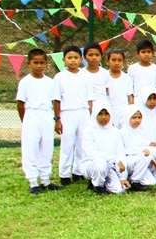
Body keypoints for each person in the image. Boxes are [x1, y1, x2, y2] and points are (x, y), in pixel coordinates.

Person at [17, 49, 64, 194]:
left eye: (41, 63)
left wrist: (56, 119)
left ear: (46, 63)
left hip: (46, 115)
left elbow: (56, 101)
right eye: (35, 63)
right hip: (31, 114)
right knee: (31, 148)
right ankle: (33, 182)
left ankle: (45, 180)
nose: (39, 66)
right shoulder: (25, 82)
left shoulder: (50, 82)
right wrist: (25, 120)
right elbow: (20, 103)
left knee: (47, 147)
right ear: (28, 63)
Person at [53, 46, 91, 186]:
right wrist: (57, 119)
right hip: (67, 112)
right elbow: (56, 99)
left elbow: (89, 98)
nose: (73, 61)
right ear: (64, 60)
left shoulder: (85, 75)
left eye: (76, 58)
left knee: (82, 143)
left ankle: (78, 171)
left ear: (81, 59)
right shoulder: (60, 77)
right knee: (67, 144)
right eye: (70, 58)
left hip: (83, 111)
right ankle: (64, 174)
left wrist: (91, 116)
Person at [81, 101, 130, 194]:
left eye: (106, 114)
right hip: (91, 164)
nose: (103, 117)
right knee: (100, 163)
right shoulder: (88, 131)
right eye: (100, 114)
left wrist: (123, 177)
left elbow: (120, 153)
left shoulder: (115, 132)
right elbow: (92, 154)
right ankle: (97, 185)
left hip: (110, 166)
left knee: (120, 190)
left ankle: (103, 181)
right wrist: (114, 159)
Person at [120, 105, 156, 190]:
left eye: (139, 117)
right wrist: (149, 155)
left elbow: (143, 143)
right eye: (134, 118)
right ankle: (135, 181)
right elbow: (132, 149)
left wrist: (148, 148)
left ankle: (132, 178)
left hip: (139, 160)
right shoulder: (124, 131)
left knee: (151, 182)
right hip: (129, 160)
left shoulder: (139, 131)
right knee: (146, 156)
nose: (137, 120)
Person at [136, 87, 156, 183]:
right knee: (155, 152)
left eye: (154, 98)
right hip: (144, 151)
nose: (152, 102)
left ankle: (153, 168)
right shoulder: (138, 118)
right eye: (149, 98)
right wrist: (149, 143)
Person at [104, 49, 134, 127]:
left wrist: (130, 111)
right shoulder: (104, 76)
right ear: (107, 61)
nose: (116, 63)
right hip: (111, 110)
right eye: (113, 60)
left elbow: (130, 97)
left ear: (124, 62)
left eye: (119, 60)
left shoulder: (126, 77)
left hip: (124, 110)